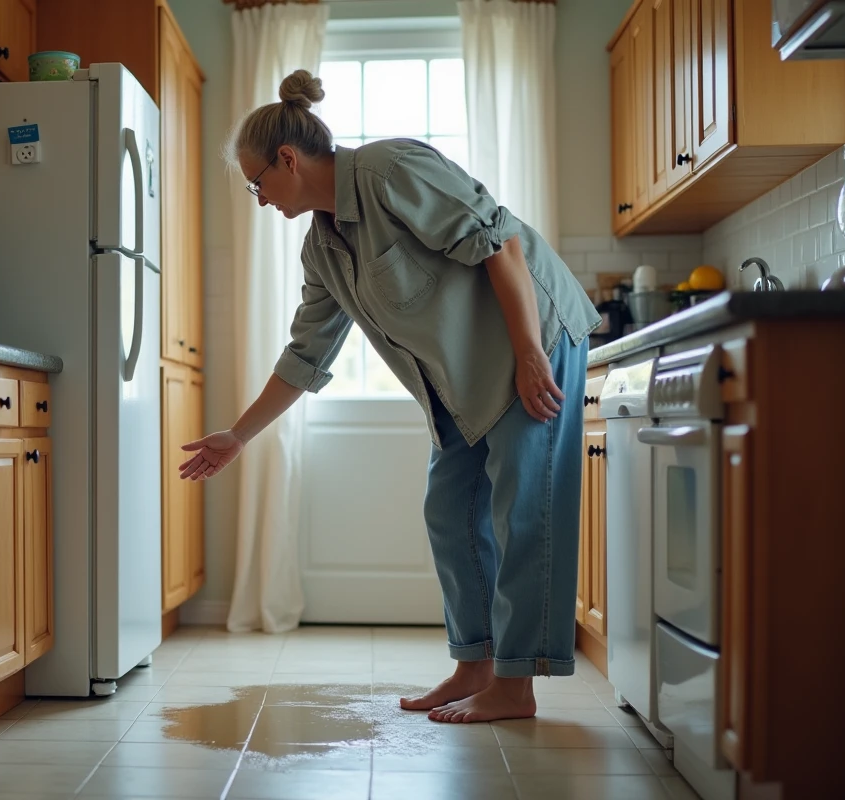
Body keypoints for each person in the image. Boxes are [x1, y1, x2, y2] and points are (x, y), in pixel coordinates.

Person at [179, 69, 601, 724]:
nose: (258, 199)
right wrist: (238, 435)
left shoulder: (389, 171)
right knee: (449, 507)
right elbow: (306, 355)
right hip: (460, 381)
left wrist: (528, 353)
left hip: (531, 339)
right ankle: (474, 665)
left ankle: (516, 687)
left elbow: (500, 240)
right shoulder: (323, 247)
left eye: (256, 183)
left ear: (287, 159)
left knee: (524, 511)